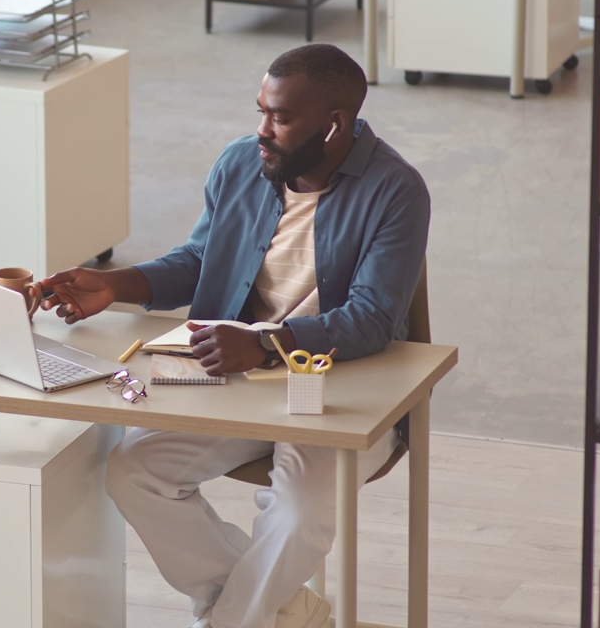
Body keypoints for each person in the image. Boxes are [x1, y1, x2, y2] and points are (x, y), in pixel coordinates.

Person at [36, 44, 430, 628]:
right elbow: (201, 258)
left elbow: (373, 317)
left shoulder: (396, 190)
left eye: (280, 118)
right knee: (133, 470)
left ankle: (235, 619)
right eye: (260, 111)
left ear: (334, 124)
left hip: (341, 388)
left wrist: (268, 342)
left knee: (298, 516)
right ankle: (284, 614)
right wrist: (114, 284)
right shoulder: (241, 163)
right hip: (236, 378)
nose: (262, 131)